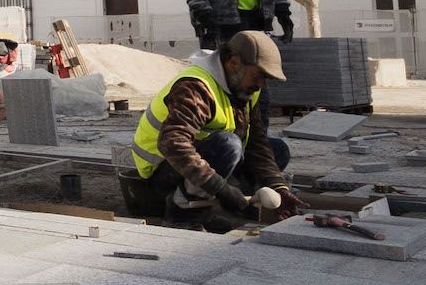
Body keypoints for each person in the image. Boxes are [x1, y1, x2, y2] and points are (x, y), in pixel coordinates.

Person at [120, 31, 301, 232]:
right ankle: (182, 213)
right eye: (259, 75)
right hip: (162, 171)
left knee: (278, 150)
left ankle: (221, 207)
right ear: (234, 63)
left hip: (199, 164)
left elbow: (256, 144)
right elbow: (173, 143)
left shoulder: (246, 89)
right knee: (229, 145)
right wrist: (222, 189)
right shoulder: (196, 86)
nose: (261, 84)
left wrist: (279, 187)